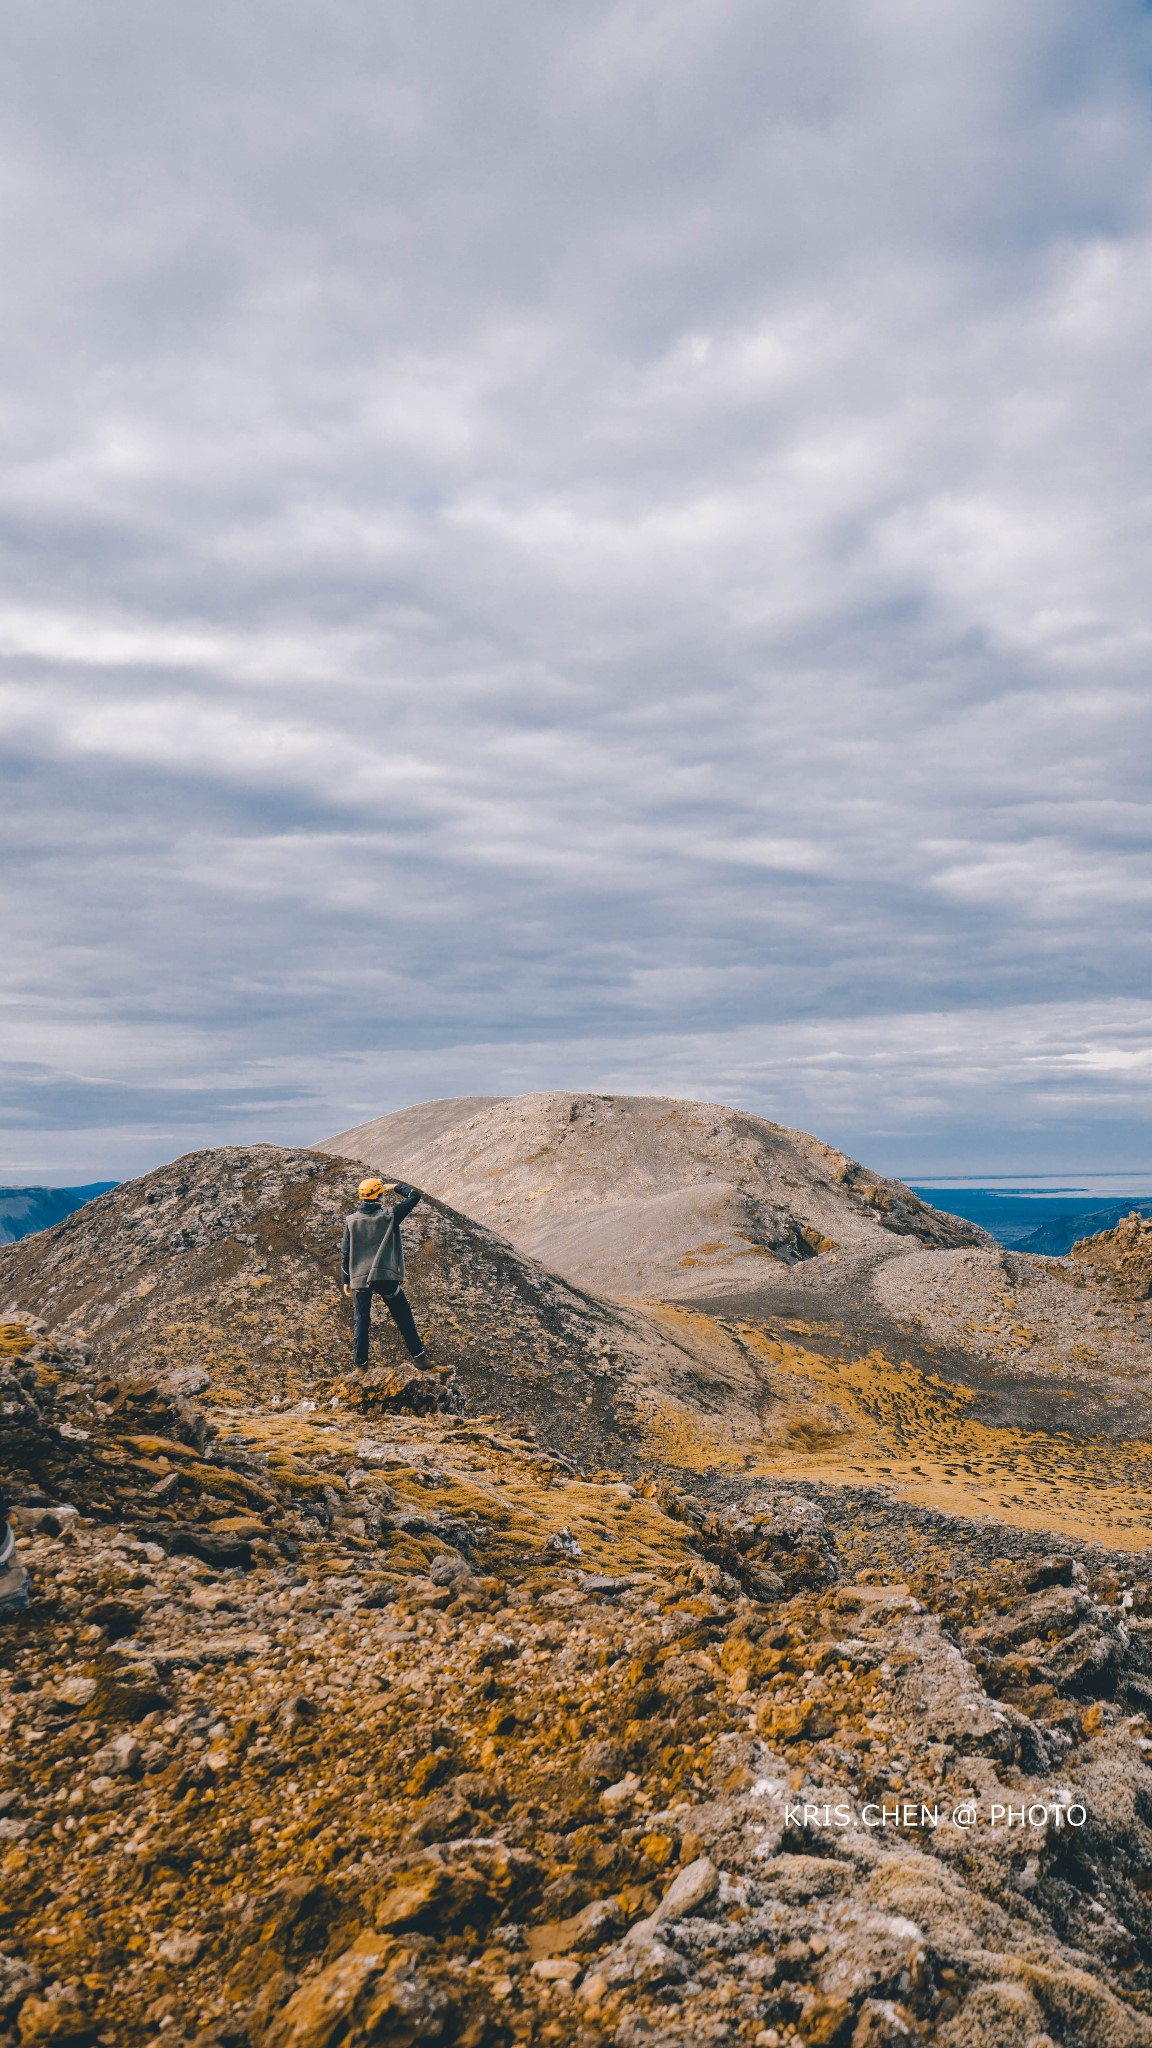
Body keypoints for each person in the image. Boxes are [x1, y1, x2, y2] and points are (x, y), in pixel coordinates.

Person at [341, 1176, 427, 1369]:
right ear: (379, 1194)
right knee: (403, 1315)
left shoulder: (351, 1221)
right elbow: (414, 1196)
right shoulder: (390, 1215)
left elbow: (345, 1252)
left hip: (359, 1278)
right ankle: (419, 1358)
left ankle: (361, 1366)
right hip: (385, 1276)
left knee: (361, 1320)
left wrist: (346, 1279)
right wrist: (395, 1187)